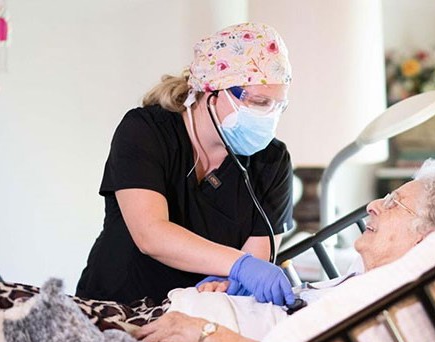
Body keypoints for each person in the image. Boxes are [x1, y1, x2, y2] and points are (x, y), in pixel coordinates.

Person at [134, 159, 435, 342]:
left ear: (424, 238)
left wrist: (205, 331)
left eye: (392, 204)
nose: (372, 206)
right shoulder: (357, 282)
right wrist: (237, 293)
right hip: (165, 319)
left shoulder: (393, 310)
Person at [76, 22, 297, 306]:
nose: (269, 116)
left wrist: (231, 279)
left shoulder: (272, 161)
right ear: (213, 92)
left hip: (200, 316)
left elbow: (258, 255)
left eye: (279, 106)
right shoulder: (145, 131)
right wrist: (238, 265)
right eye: (259, 102)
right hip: (117, 306)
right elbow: (150, 234)